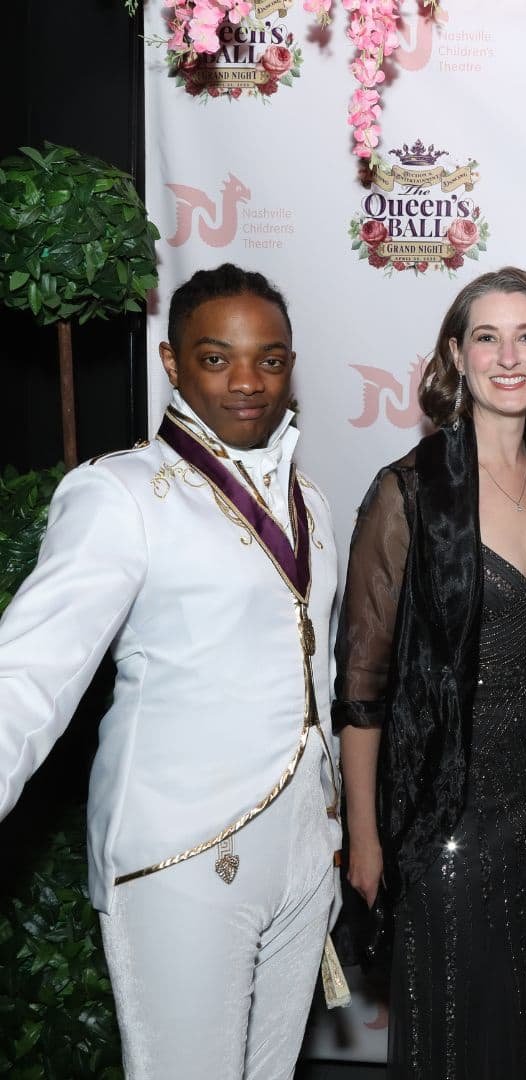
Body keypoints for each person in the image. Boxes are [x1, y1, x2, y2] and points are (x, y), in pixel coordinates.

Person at [0, 264, 340, 1079]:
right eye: (217, 359)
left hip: (302, 855)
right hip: (183, 853)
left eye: (269, 360)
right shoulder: (119, 493)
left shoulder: (313, 503)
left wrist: (330, 836)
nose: (247, 382)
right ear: (172, 362)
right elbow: (31, 671)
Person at [333, 267, 526, 1078]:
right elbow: (362, 686)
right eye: (487, 338)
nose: (508, 358)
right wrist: (364, 838)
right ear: (455, 356)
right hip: (444, 809)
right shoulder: (407, 491)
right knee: (454, 1027)